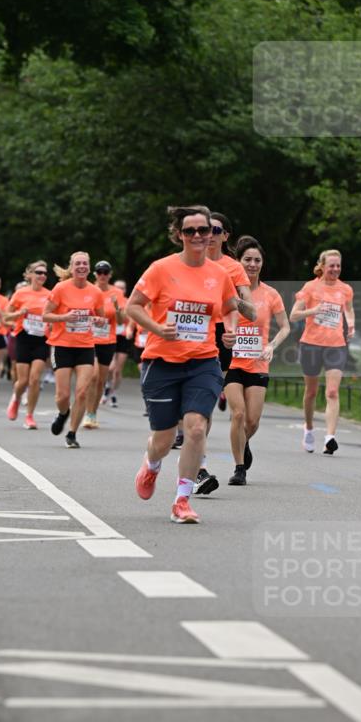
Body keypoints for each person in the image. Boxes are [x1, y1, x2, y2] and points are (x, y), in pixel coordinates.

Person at [127, 206, 237, 524]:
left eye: (206, 230)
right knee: (163, 439)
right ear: (179, 235)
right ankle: (151, 464)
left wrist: (229, 329)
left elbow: (230, 306)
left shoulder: (219, 275)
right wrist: (157, 328)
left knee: (196, 427)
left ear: (213, 234)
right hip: (161, 361)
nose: (200, 236)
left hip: (203, 361)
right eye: (191, 231)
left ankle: (182, 500)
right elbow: (133, 307)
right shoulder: (161, 269)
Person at [193, 211, 258, 494]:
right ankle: (198, 466)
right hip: (193, 332)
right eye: (205, 230)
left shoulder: (233, 268)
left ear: (224, 236)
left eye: (216, 230)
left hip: (222, 336)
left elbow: (251, 310)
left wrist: (233, 301)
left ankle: (200, 465)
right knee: (199, 407)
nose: (209, 235)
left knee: (205, 404)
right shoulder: (190, 262)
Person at [224, 236, 290, 485]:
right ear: (238, 262)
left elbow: (285, 327)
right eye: (247, 260)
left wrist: (272, 345)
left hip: (259, 363)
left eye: (257, 260)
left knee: (252, 421)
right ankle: (239, 468)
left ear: (262, 264)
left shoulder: (270, 294)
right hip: (231, 363)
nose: (252, 264)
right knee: (238, 414)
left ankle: (244, 442)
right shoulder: (227, 289)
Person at [290, 249, 355, 454]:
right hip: (311, 344)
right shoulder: (310, 287)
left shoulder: (345, 289)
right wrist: (314, 310)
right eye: (331, 265)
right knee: (311, 392)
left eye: (338, 265)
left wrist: (351, 325)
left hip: (336, 345)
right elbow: (293, 315)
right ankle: (308, 428)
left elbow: (349, 310)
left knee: (332, 391)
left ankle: (330, 437)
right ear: (323, 266)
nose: (335, 269)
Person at [42, 252, 107, 448]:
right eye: (77, 263)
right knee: (62, 396)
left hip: (85, 346)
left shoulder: (96, 292)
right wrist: (64, 318)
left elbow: (102, 320)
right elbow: (45, 315)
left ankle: (71, 433)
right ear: (71, 267)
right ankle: (63, 413)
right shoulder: (61, 288)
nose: (81, 267)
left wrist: (98, 320)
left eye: (84, 264)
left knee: (81, 393)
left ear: (89, 268)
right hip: (62, 345)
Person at [4, 261, 51, 429]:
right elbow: (6, 317)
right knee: (22, 381)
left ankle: (30, 416)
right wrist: (19, 313)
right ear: (30, 274)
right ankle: (16, 398)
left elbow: (54, 316)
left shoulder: (50, 294)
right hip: (23, 338)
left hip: (41, 339)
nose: (42, 276)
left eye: (45, 273)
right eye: (38, 272)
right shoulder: (20, 293)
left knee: (35, 379)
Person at [84, 261, 125, 428]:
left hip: (108, 341)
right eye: (99, 272)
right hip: (89, 340)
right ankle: (87, 413)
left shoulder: (117, 293)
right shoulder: (88, 290)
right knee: (92, 376)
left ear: (110, 274)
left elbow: (122, 321)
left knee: (100, 380)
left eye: (105, 272)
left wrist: (116, 307)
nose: (102, 275)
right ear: (94, 274)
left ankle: (93, 413)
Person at [103, 279, 129, 407]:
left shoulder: (128, 302)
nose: (120, 290)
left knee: (118, 371)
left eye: (122, 288)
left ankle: (112, 392)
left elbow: (130, 319)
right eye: (117, 287)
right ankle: (107, 385)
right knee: (110, 368)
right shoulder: (108, 299)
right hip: (110, 335)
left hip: (123, 337)